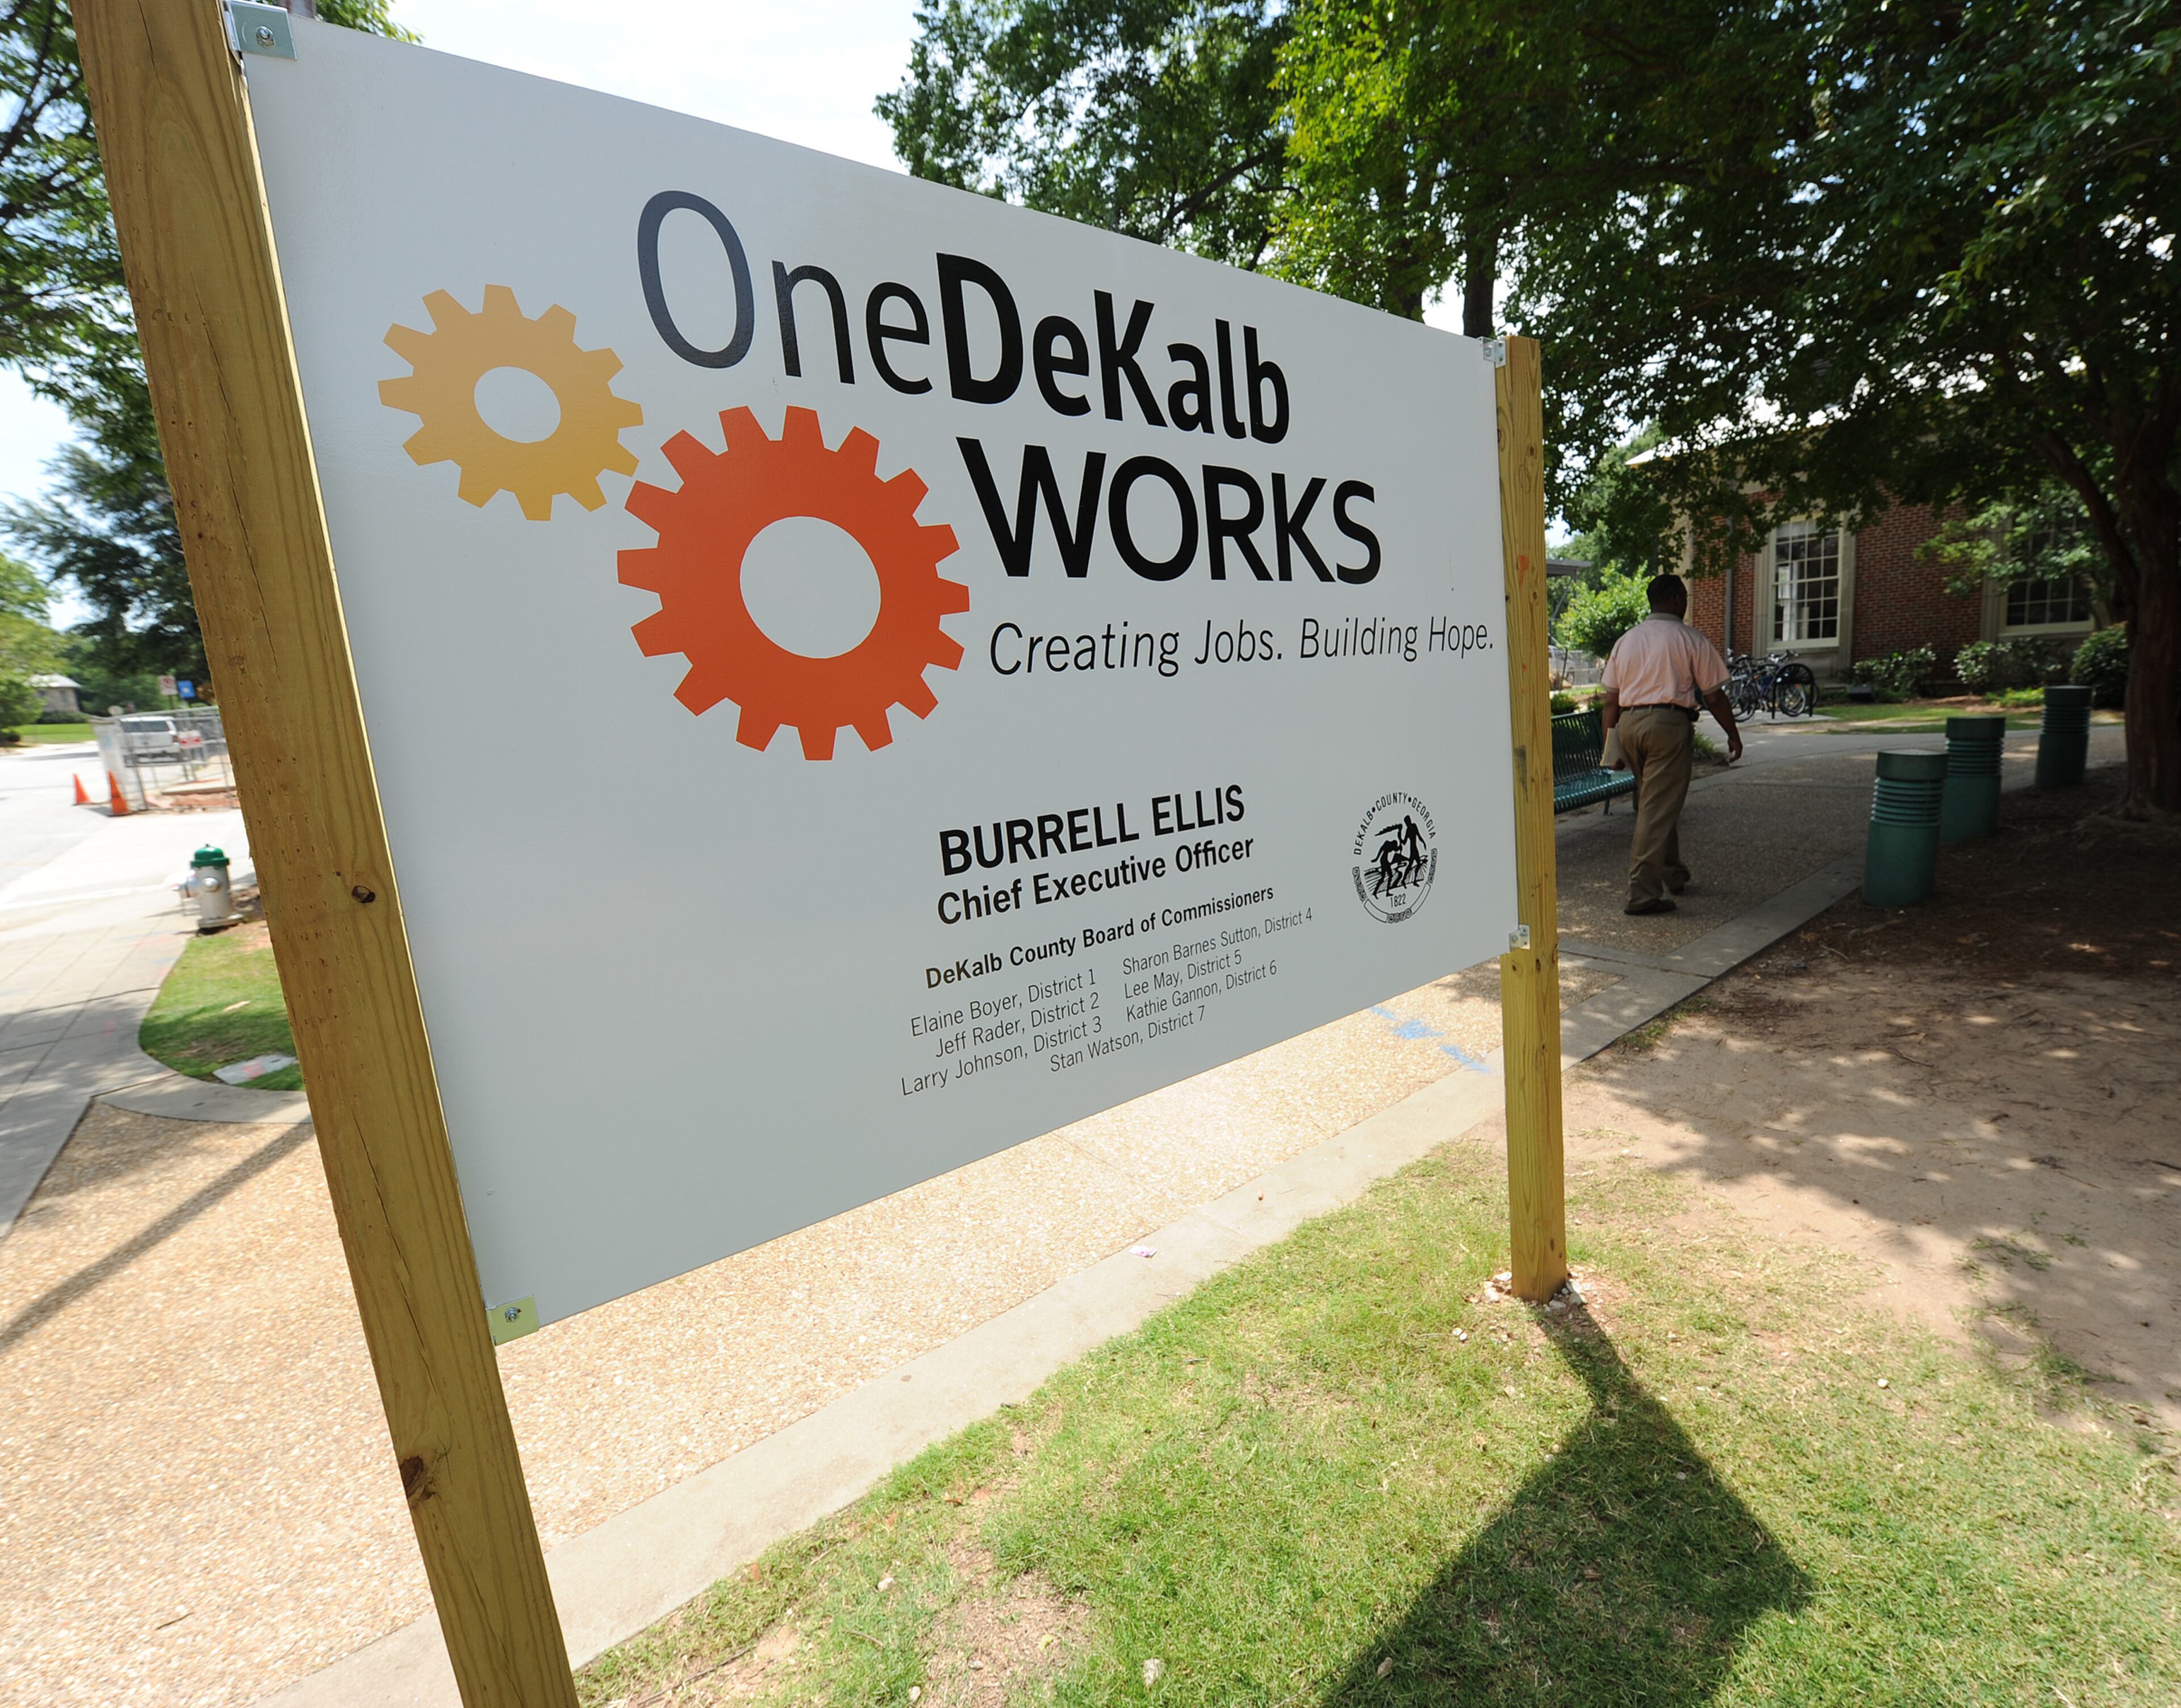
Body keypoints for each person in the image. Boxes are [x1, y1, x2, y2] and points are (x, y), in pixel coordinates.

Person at [1599, 574, 1743, 914]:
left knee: (1656, 803)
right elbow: (1714, 696)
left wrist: (1612, 747)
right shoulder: (1689, 638)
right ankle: (1642, 894)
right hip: (1668, 725)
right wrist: (1733, 734)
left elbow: (1610, 702)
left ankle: (1673, 873)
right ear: (1679, 599)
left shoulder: (1627, 641)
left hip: (1630, 724)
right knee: (1656, 808)